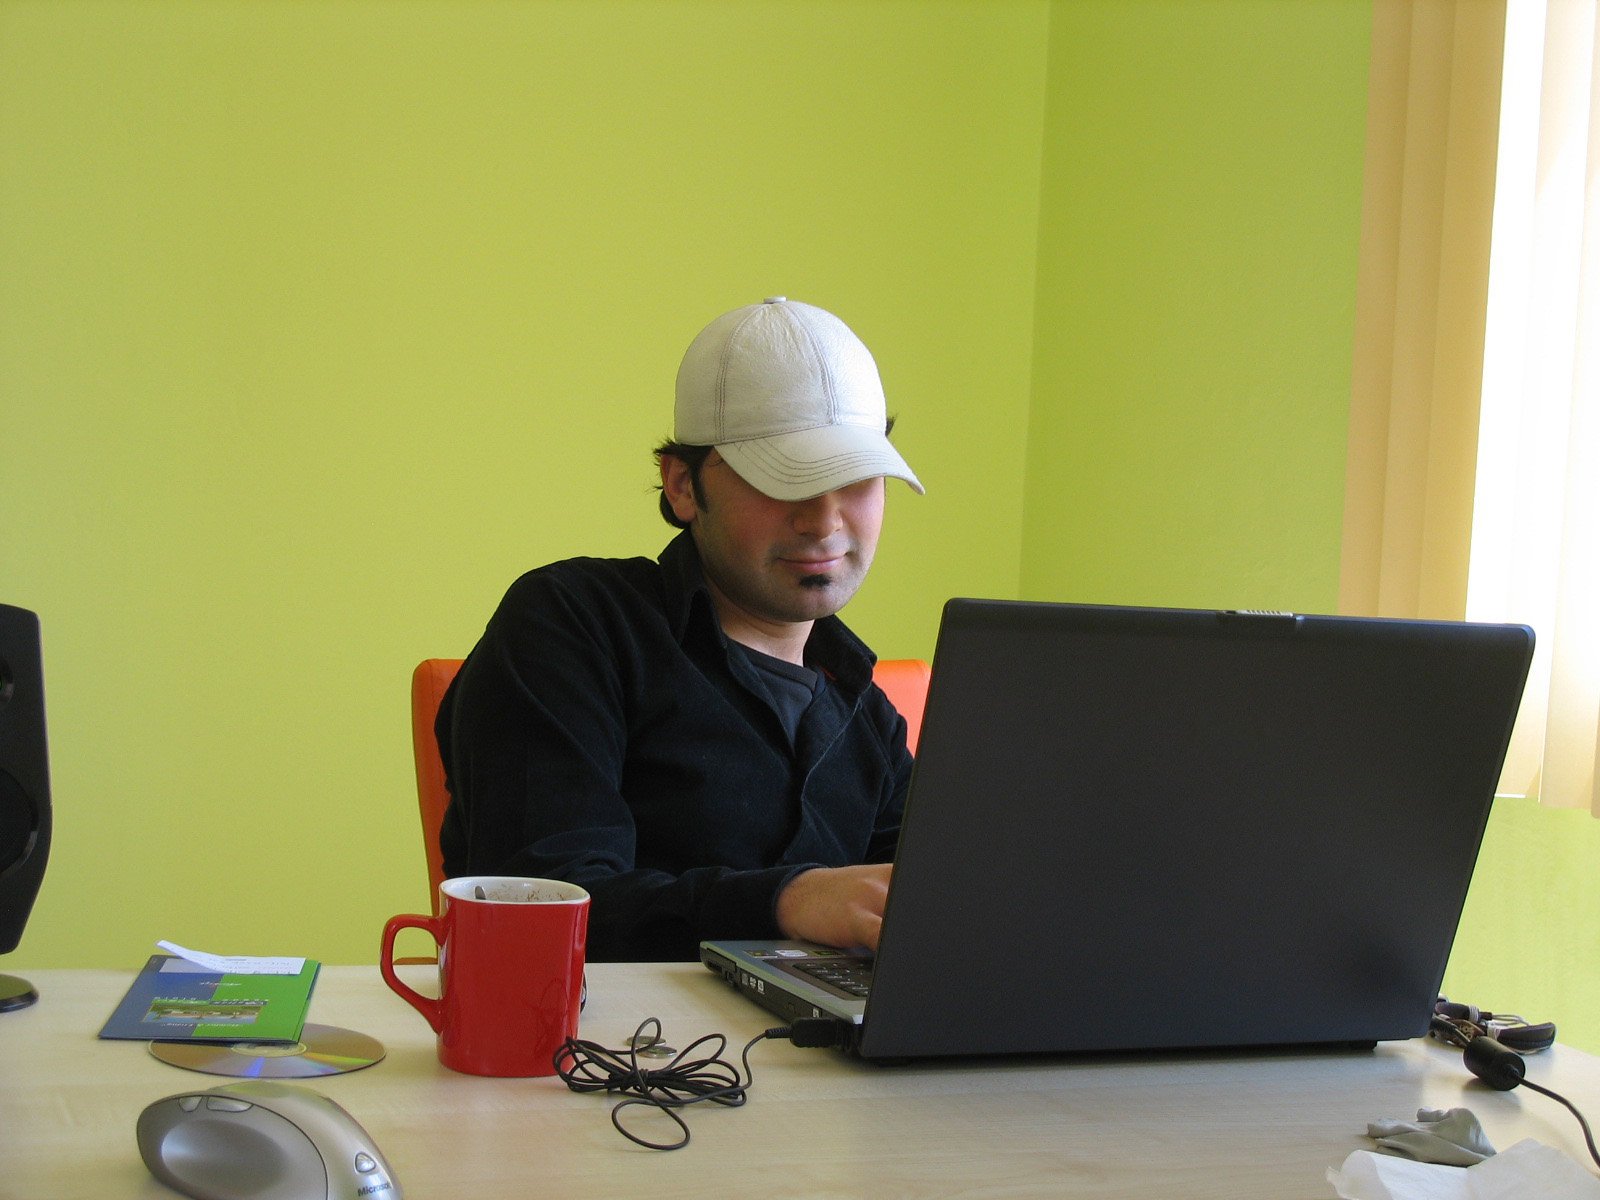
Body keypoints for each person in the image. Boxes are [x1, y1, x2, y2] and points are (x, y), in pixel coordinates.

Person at [436, 297, 925, 961]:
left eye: (859, 479)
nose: (826, 521)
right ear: (683, 485)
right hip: (607, 1057)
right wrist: (788, 901)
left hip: (819, 1062)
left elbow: (933, 902)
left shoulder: (865, 710)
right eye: (786, 481)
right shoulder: (573, 623)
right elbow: (541, 906)